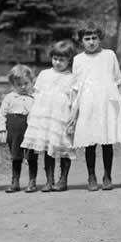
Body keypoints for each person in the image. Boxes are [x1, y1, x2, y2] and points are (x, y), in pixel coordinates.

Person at [70, 22, 121, 191]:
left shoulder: (109, 55)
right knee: (90, 142)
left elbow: (118, 80)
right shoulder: (78, 60)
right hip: (88, 103)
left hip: (106, 102)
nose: (91, 42)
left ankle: (107, 175)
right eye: (87, 39)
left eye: (94, 38)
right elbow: (75, 87)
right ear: (81, 41)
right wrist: (73, 109)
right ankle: (91, 176)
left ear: (100, 39)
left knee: (106, 141)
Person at [21, 40, 78, 192]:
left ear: (69, 60)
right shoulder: (44, 74)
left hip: (61, 117)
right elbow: (36, 95)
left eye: (61, 59)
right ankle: (49, 179)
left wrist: (73, 118)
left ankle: (63, 179)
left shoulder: (72, 77)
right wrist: (32, 114)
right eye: (55, 58)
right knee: (48, 147)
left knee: (63, 146)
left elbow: (74, 100)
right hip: (44, 116)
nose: (57, 62)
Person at [0, 64, 36, 193]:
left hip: (30, 129)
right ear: (13, 85)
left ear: (31, 82)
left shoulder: (35, 97)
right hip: (14, 130)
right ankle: (15, 181)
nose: (23, 87)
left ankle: (32, 181)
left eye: (26, 83)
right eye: (19, 84)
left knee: (31, 156)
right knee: (16, 156)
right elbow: (2, 114)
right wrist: (1, 130)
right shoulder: (9, 97)